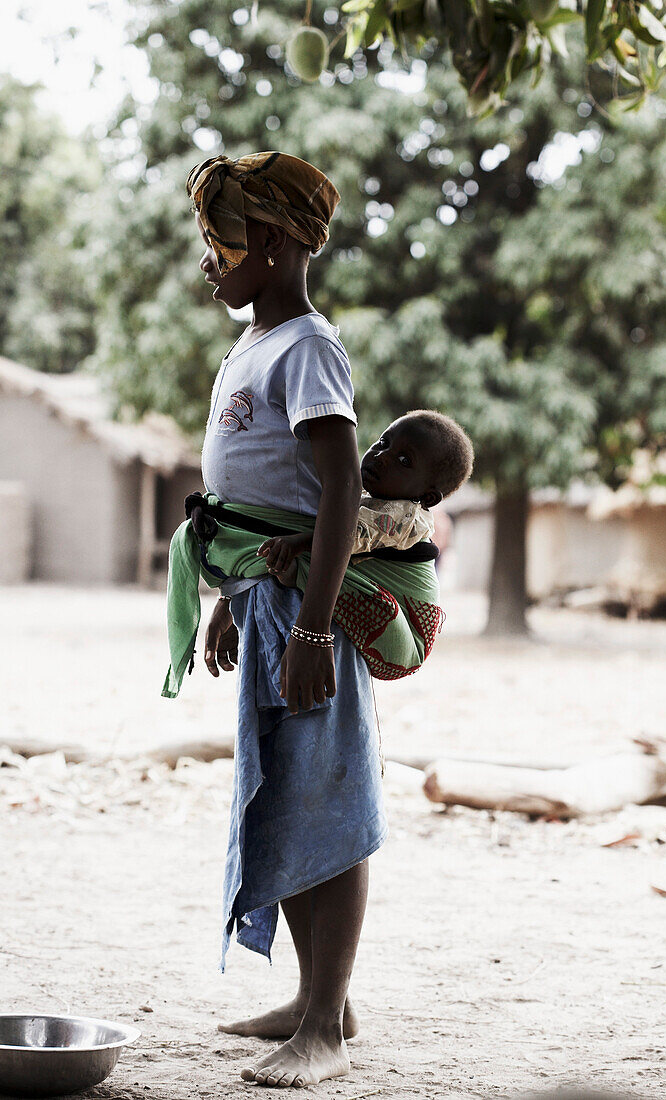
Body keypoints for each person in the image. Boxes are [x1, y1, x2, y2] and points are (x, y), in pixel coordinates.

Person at [186, 150, 386, 1090]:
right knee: (286, 800)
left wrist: (311, 630)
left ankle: (323, 1031)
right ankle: (323, 999)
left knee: (323, 806)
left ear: (267, 242)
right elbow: (259, 494)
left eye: (217, 241)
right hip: (263, 601)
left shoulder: (305, 345)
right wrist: (229, 599)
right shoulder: (253, 344)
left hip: (306, 615)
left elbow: (338, 486)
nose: (208, 260)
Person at [255, 410, 473, 585]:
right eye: (383, 443)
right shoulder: (373, 495)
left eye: (404, 460)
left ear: (428, 497)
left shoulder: (405, 517)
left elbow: (348, 537)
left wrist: (298, 543)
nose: (381, 457)